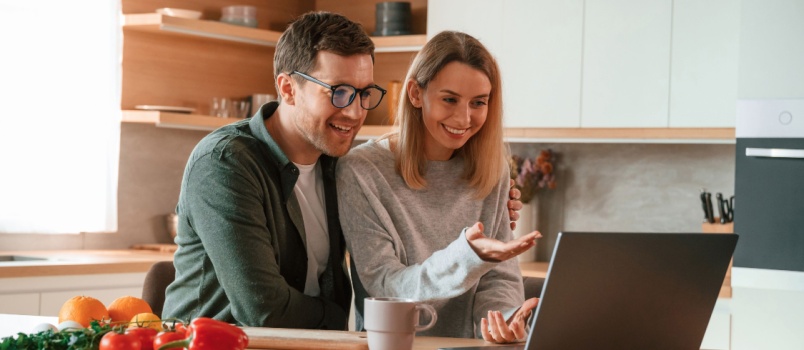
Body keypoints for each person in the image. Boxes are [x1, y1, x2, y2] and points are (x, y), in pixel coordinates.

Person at [162, 12, 525, 330]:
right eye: (338, 92)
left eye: (363, 93)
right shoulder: (225, 163)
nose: (354, 112)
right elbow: (263, 309)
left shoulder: (337, 163)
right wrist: (339, 317)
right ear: (288, 88)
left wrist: (498, 209)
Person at [336, 31, 540, 343]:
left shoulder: (491, 170)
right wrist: (468, 255)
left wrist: (504, 320)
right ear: (416, 93)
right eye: (450, 99)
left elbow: (498, 278)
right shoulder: (362, 171)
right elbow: (387, 286)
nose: (464, 117)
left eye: (479, 102)